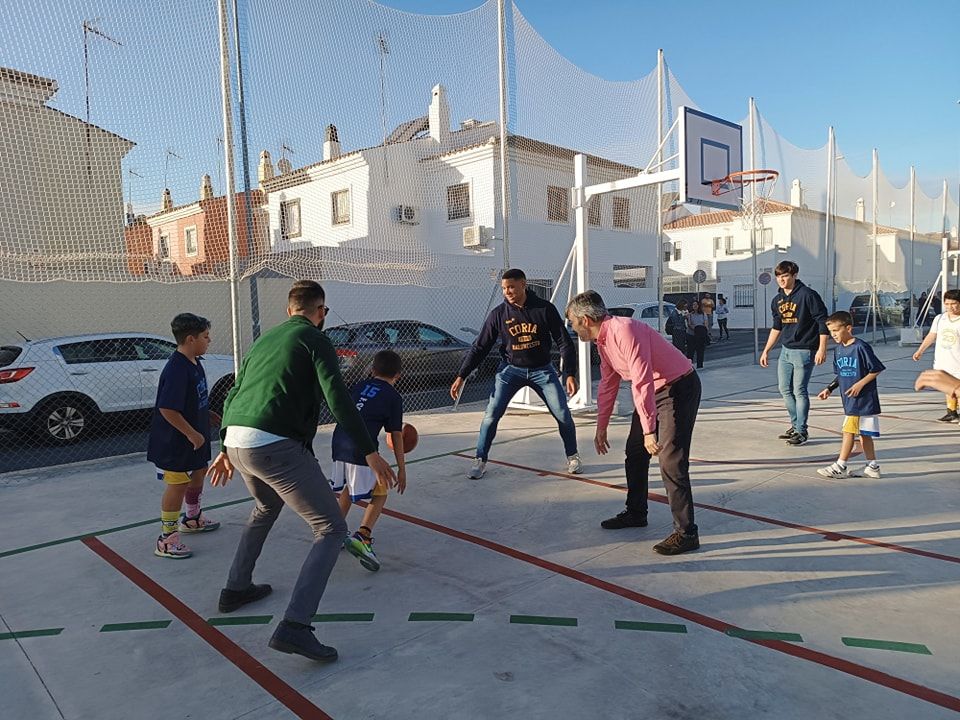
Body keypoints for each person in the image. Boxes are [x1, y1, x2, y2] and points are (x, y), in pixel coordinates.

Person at [207, 280, 397, 663]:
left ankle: (236, 588)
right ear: (320, 311)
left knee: (265, 507)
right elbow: (338, 398)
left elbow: (233, 391)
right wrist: (370, 451)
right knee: (330, 529)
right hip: (273, 446)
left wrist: (225, 444)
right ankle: (296, 626)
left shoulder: (264, 340)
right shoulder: (314, 339)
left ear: (288, 309)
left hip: (238, 443)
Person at [566, 290, 701, 556]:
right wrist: (601, 425)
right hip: (653, 392)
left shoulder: (624, 330)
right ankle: (636, 512)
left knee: (670, 460)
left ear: (584, 319)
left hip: (678, 388)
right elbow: (608, 383)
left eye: (571, 321)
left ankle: (686, 534)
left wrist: (650, 430)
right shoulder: (602, 340)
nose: (571, 327)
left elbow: (641, 380)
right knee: (635, 453)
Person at [450, 268, 580, 479]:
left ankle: (573, 456)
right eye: (504, 288)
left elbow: (564, 341)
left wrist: (570, 373)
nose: (507, 292)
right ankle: (480, 459)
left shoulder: (544, 309)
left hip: (543, 370)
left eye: (511, 287)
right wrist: (461, 375)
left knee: (563, 413)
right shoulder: (498, 314)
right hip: (510, 370)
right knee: (491, 415)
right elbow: (480, 347)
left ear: (523, 284)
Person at [147, 313, 221, 559]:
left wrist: (205, 412)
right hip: (175, 442)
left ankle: (192, 518)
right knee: (177, 484)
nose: (209, 341)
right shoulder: (177, 368)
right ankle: (166, 540)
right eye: (205, 337)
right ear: (190, 339)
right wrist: (190, 432)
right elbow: (167, 408)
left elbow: (190, 398)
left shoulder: (194, 361)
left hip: (195, 437)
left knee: (199, 473)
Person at [331, 350, 407, 572]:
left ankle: (333, 533)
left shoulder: (359, 386)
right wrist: (402, 468)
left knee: (348, 486)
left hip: (339, 443)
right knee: (381, 489)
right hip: (361, 449)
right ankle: (363, 536)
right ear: (398, 376)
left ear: (372, 370)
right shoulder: (393, 397)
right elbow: (396, 435)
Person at [760, 260, 829, 446]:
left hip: (805, 349)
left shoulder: (808, 295)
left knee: (799, 390)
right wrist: (766, 350)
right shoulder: (778, 300)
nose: (781, 280)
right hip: (786, 350)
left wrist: (822, 348)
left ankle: (802, 430)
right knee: (784, 389)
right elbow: (777, 327)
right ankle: (795, 424)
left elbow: (823, 321)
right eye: (778, 277)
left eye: (785, 276)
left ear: (794, 275)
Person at [815, 311, 885, 479]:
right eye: (831, 332)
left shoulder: (860, 347)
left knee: (848, 432)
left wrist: (859, 384)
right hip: (849, 400)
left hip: (862, 400)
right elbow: (841, 373)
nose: (833, 335)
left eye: (836, 331)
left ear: (848, 328)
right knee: (865, 435)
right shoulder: (839, 350)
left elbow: (876, 369)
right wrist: (829, 388)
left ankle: (840, 465)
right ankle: (872, 467)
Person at [911, 288, 960, 422]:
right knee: (947, 387)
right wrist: (920, 350)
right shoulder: (940, 319)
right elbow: (932, 335)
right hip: (943, 361)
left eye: (953, 303)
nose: (950, 307)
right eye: (947, 303)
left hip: (958, 362)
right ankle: (952, 412)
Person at [685, 300, 708, 369]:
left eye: (696, 305)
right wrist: (696, 329)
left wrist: (703, 331)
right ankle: (689, 367)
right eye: (693, 305)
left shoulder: (703, 314)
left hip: (701, 336)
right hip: (692, 335)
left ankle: (700, 366)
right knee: (690, 352)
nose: (695, 306)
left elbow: (706, 324)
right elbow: (689, 324)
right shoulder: (690, 315)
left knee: (700, 352)